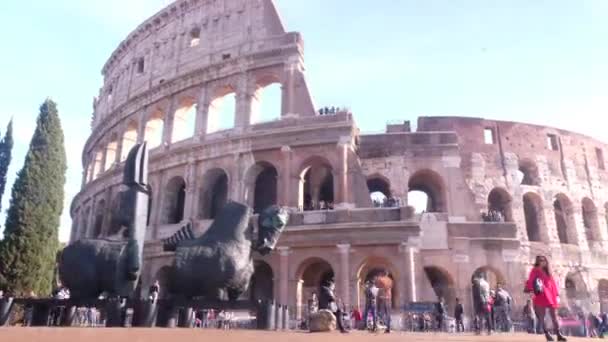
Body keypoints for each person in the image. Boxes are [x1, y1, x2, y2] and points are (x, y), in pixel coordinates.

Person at [525, 255, 567, 341]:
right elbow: (530, 281)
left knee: (554, 315)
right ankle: (547, 334)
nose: (542, 262)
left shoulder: (548, 271)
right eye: (540, 260)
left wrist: (556, 294)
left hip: (550, 295)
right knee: (541, 316)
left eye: (544, 260)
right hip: (540, 294)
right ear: (537, 261)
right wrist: (531, 291)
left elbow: (553, 283)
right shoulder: (534, 271)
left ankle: (558, 334)